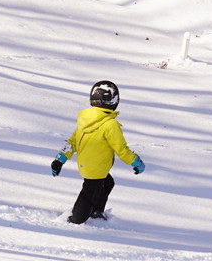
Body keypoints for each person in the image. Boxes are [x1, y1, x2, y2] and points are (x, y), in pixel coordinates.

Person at [50, 80, 145, 224]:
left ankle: (95, 211)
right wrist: (136, 162)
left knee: (108, 183)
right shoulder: (110, 124)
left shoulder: (85, 120)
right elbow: (121, 149)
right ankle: (76, 219)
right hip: (97, 170)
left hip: (87, 165)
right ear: (113, 101)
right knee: (88, 194)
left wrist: (59, 159)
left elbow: (72, 143)